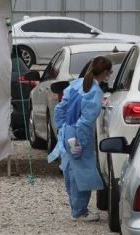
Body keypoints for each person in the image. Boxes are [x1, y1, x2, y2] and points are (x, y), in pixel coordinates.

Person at [48, 56, 113, 221]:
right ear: (105, 73)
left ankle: (75, 209)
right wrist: (81, 142)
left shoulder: (77, 84)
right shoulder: (95, 92)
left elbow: (60, 107)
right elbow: (86, 122)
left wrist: (63, 128)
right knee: (83, 172)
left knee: (70, 171)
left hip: (68, 131)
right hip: (79, 134)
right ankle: (80, 211)